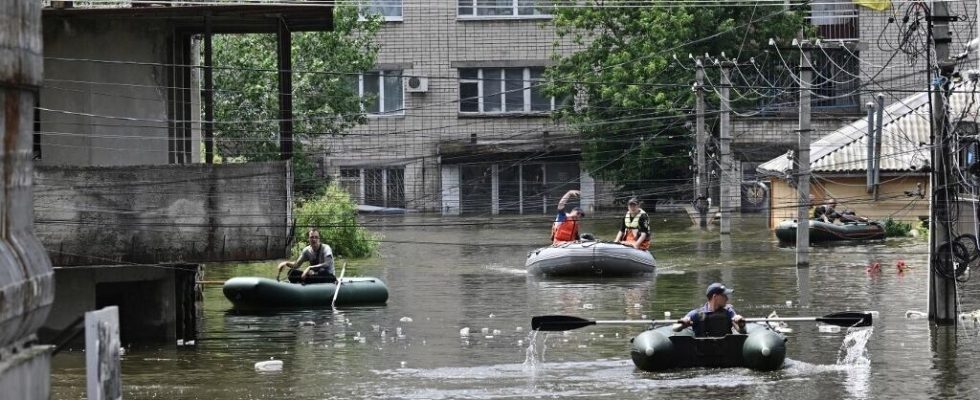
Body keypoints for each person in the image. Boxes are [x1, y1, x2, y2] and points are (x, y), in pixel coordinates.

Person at [676, 283, 745, 337]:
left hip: (724, 350)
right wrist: (683, 324)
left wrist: (741, 325)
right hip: (701, 352)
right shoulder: (696, 314)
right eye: (724, 295)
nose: (727, 299)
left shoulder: (729, 312)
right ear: (715, 297)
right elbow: (675, 328)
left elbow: (742, 331)